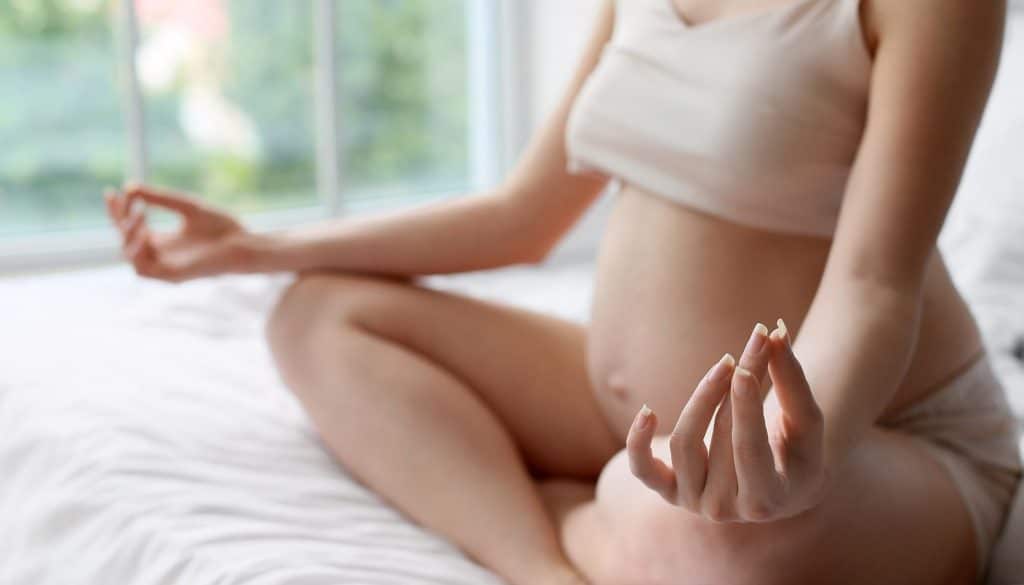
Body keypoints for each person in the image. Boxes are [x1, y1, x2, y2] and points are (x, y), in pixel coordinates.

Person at [104, 0, 1022, 583]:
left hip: (875, 435)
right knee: (317, 315)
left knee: (723, 545)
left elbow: (872, 284)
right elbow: (524, 212)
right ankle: (545, 560)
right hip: (622, 411)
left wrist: (793, 457)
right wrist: (256, 246)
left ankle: (585, 503)